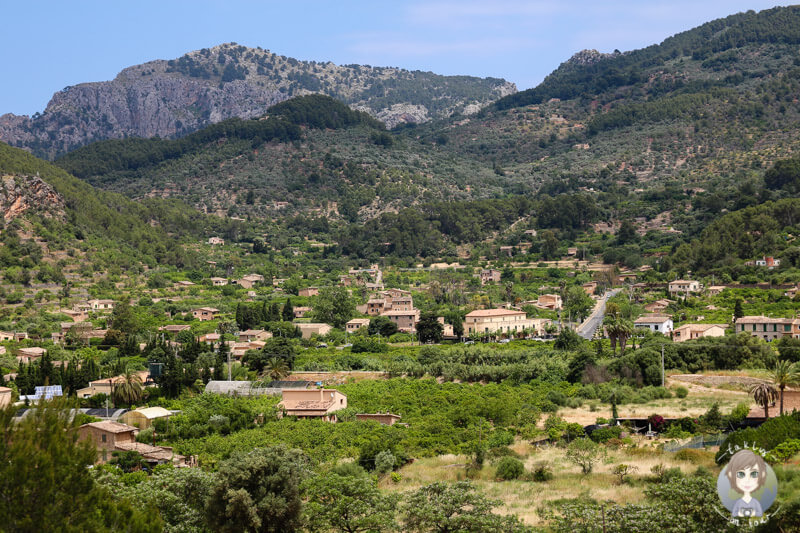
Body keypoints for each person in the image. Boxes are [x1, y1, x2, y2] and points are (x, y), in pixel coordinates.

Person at [725, 449, 767, 518]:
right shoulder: (738, 503)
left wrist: (753, 513)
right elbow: (733, 514)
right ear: (731, 475)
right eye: (741, 474)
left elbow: (760, 513)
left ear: (762, 475)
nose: (747, 480)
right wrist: (739, 514)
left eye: (754, 474)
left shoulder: (755, 502)